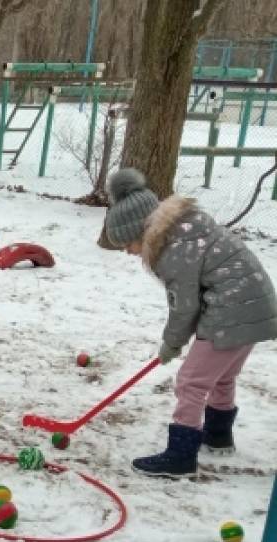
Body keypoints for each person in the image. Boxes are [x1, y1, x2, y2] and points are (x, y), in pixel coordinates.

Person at [102, 169, 277, 476]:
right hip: (254, 306)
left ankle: (180, 456)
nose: (128, 252)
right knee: (221, 376)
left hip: (231, 311)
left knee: (191, 382)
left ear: (140, 231)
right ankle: (218, 436)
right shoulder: (186, 230)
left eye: (127, 244)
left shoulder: (174, 250)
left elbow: (184, 307)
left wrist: (172, 343)